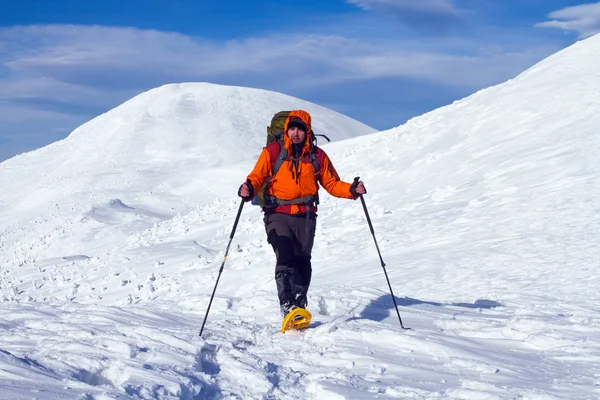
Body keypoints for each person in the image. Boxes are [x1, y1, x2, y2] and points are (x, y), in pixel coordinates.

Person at [238, 110, 366, 316]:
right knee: (285, 254)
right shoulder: (273, 151)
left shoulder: (317, 156)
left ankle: (299, 304)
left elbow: (331, 183)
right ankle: (287, 306)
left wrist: (351, 190)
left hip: (306, 216)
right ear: (286, 130)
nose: (295, 133)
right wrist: (249, 189)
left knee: (303, 261)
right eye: (292, 129)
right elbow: (258, 176)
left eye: (300, 129)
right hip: (277, 213)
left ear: (308, 132)